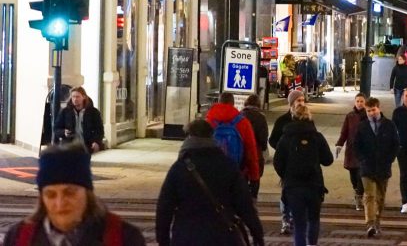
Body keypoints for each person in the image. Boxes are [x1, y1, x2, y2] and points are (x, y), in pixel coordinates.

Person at [4, 144, 146, 246]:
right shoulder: (18, 237)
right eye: (51, 195)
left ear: (87, 193)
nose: (60, 203)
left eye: (69, 192)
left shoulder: (123, 237)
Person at [155, 119, 264, 246]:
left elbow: (164, 208)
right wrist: (257, 234)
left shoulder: (179, 169)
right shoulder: (227, 165)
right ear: (212, 136)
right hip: (223, 236)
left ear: (189, 137)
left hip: (187, 236)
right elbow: (245, 205)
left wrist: (163, 240)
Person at [273, 103, 333, 246]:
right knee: (313, 219)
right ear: (309, 116)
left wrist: (286, 175)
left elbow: (277, 162)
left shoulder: (285, 138)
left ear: (293, 116)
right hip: (314, 184)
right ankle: (312, 244)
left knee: (299, 223)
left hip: (293, 186)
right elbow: (328, 160)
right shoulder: (317, 137)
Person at [354, 96, 400, 239]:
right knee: (369, 195)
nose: (371, 113)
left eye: (373, 110)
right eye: (368, 111)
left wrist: (389, 159)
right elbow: (356, 145)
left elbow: (395, 144)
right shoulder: (362, 126)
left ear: (378, 108)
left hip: (383, 167)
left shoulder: (389, 125)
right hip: (367, 167)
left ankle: (377, 222)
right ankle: (370, 224)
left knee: (380, 197)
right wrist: (362, 160)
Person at [270, 88, 306, 235]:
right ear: (291, 103)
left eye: (303, 100)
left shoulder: (307, 119)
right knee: (286, 192)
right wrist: (283, 149)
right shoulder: (282, 121)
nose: (301, 103)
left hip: (303, 164)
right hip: (287, 164)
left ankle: (294, 218)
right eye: (298, 100)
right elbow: (272, 140)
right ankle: (286, 219)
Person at [205, 91, 261, 185]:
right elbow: (251, 151)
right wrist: (254, 178)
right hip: (237, 173)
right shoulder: (243, 122)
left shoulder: (208, 122)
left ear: (218, 102)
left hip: (212, 173)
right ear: (233, 104)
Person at [335, 92, 369, 210]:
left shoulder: (368, 115)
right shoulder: (350, 116)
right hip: (351, 150)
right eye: (358, 101)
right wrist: (339, 144)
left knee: (361, 174)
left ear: (365, 103)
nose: (359, 103)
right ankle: (356, 192)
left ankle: (359, 198)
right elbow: (344, 132)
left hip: (364, 151)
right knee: (353, 175)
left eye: (362, 101)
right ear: (355, 102)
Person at [54, 86, 105, 153]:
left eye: (77, 96)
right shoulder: (65, 112)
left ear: (83, 97)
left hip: (87, 146)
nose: (75, 99)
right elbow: (56, 128)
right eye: (73, 97)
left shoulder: (93, 112)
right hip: (69, 146)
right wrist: (63, 132)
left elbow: (100, 130)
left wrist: (96, 142)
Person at [241, 93, 269, 198]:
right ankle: (253, 198)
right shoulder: (261, 117)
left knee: (243, 175)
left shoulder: (240, 116)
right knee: (255, 175)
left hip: (242, 151)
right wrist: (264, 147)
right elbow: (263, 137)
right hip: (255, 152)